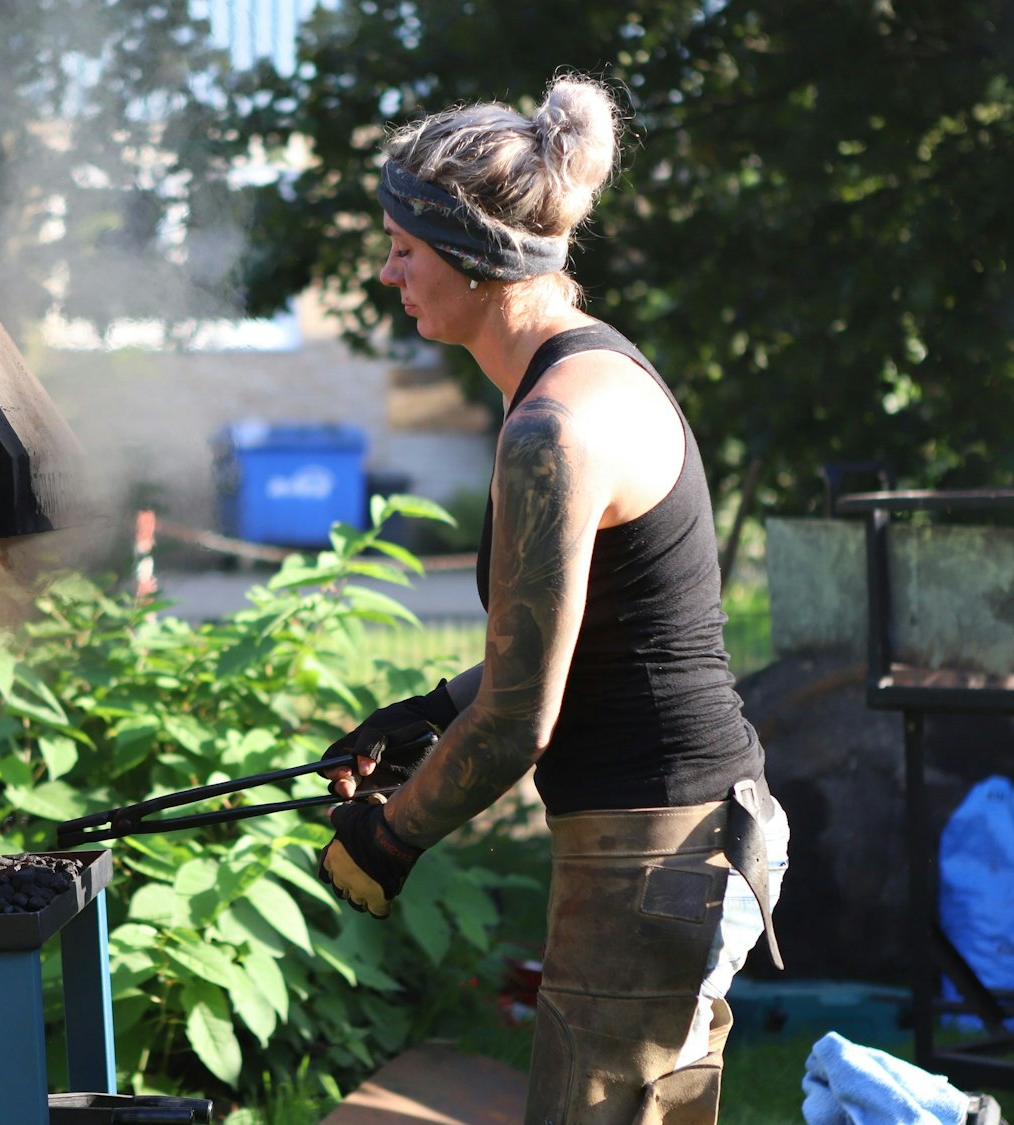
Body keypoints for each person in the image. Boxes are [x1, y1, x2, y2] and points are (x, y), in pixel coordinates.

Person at [313, 74, 790, 1125]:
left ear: (476, 256)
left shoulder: (552, 431)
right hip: (683, 834)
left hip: (651, 852)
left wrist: (388, 838)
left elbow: (523, 721)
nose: (387, 269)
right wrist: (434, 712)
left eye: (404, 245)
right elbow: (585, 640)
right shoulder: (583, 375)